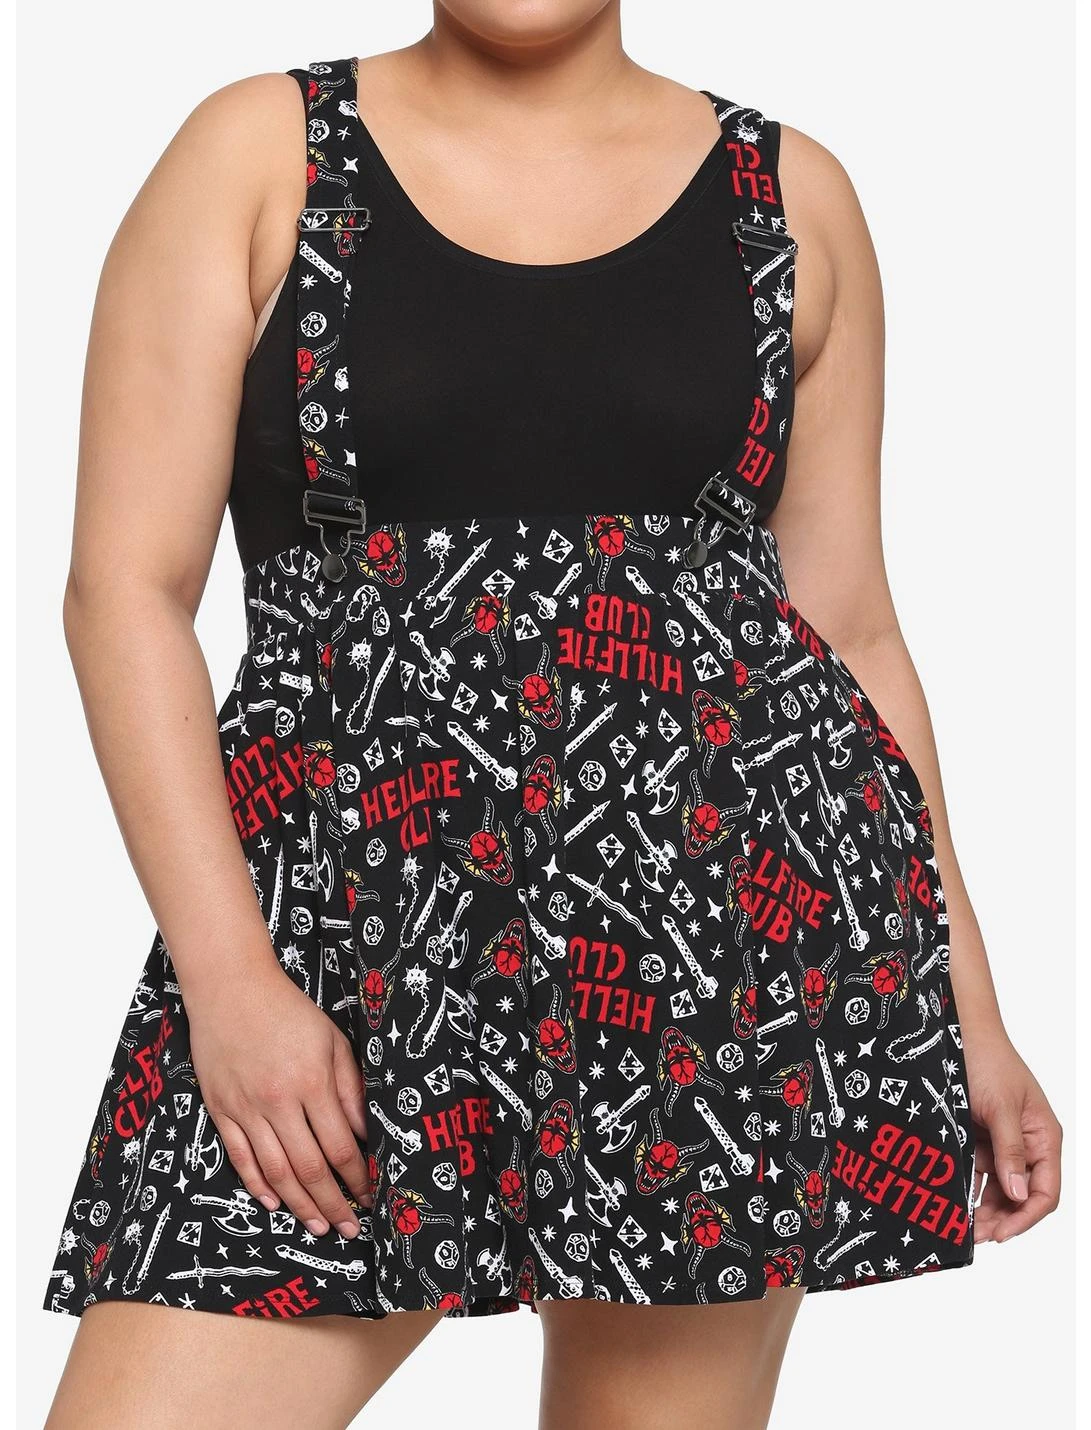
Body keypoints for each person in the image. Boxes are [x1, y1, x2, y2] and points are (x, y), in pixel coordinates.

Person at [42, 5, 1061, 1428]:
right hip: (342, 945)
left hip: (719, 959)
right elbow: (124, 596)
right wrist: (231, 985)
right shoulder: (260, 154)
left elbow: (848, 632)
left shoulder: (790, 196)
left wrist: (971, 1011)